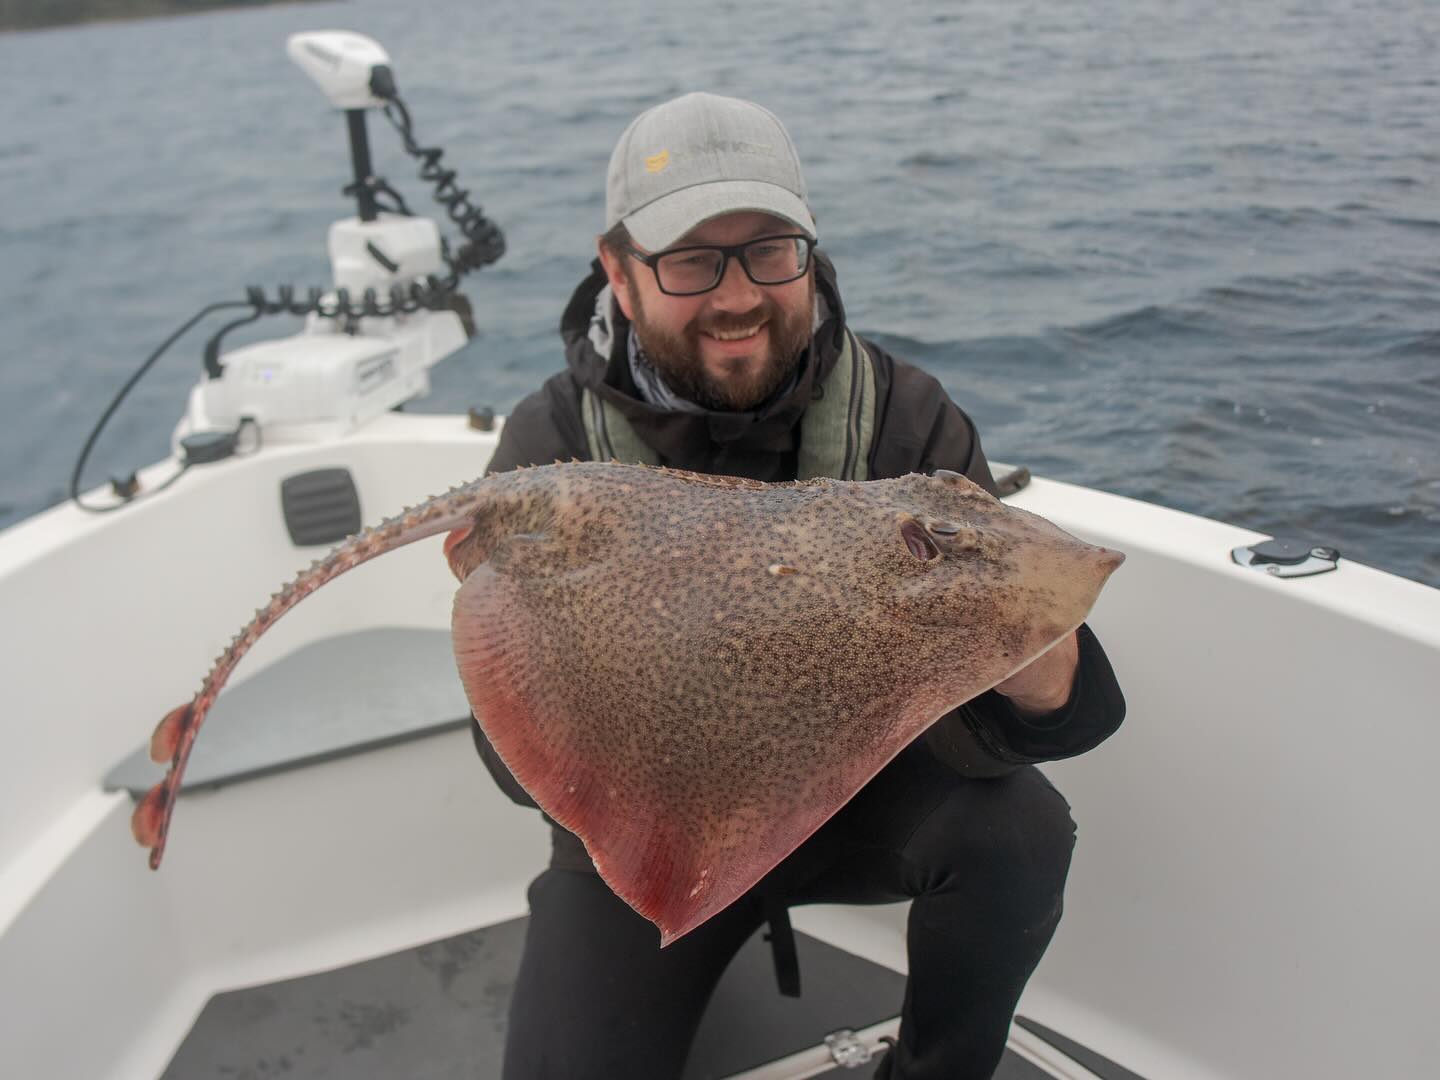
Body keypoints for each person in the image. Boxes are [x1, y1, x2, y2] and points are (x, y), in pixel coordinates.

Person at [473, 92, 1126, 1080]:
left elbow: (1074, 718)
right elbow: (504, 758)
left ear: (809, 255)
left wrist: (1034, 658)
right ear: (617, 269)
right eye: (692, 260)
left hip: (858, 798)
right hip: (646, 829)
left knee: (1019, 830)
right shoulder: (553, 452)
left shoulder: (904, 421)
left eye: (771, 251)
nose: (738, 295)